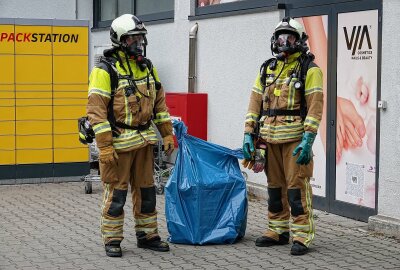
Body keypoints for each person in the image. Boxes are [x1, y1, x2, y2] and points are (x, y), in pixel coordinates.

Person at [86, 14, 174, 257]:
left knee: (146, 193)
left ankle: (148, 236)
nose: (138, 43)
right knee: (116, 194)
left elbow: (159, 105)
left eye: (140, 38)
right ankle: (112, 239)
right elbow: (96, 113)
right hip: (118, 146)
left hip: (144, 143)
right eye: (133, 38)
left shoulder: (147, 68)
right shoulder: (105, 71)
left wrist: (167, 134)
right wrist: (104, 148)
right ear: (119, 41)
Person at [242, 17, 323, 255]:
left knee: (297, 188)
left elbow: (316, 106)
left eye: (290, 37)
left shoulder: (310, 69)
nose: (284, 42)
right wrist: (248, 134)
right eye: (280, 37)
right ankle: (277, 230)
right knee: (274, 188)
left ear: (300, 41)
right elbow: (254, 104)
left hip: (295, 141)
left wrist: (308, 139)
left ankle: (302, 236)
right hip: (268, 140)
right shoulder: (268, 69)